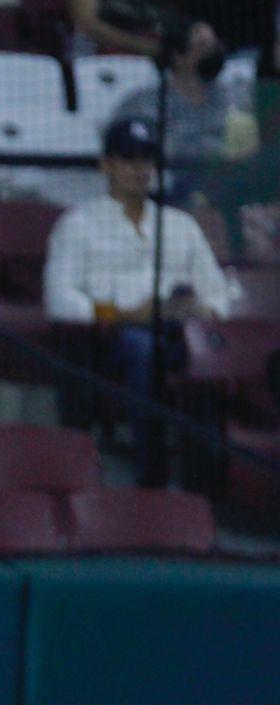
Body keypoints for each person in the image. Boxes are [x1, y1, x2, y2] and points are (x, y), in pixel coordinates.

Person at [44, 118, 231, 485]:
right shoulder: (78, 223)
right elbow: (59, 298)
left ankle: (209, 481)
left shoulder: (180, 224)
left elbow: (218, 292)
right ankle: (152, 475)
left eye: (146, 160)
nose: (140, 169)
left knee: (209, 350)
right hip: (109, 338)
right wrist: (126, 315)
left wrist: (201, 311)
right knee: (142, 347)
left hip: (177, 331)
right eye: (129, 159)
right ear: (106, 164)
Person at [112, 21, 254, 167]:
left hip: (227, 179)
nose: (213, 53)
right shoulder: (142, 105)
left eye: (215, 46)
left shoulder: (237, 97)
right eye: (203, 46)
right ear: (178, 56)